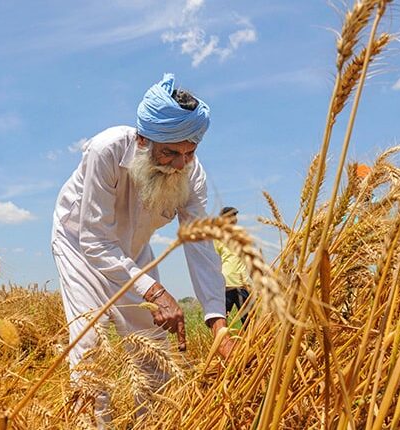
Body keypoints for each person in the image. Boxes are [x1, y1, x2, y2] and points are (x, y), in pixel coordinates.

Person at [51, 73, 234, 423]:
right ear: (142, 140)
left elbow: (200, 244)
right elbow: (94, 240)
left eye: (190, 152)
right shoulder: (106, 150)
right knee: (90, 348)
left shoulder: (191, 173)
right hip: (80, 247)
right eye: (170, 152)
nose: (179, 164)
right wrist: (154, 290)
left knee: (153, 349)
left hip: (134, 253)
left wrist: (217, 324)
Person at [214, 207, 251, 325]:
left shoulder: (242, 235)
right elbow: (214, 260)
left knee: (249, 322)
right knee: (221, 320)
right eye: (230, 216)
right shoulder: (218, 238)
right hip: (226, 284)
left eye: (234, 216)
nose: (234, 219)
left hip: (243, 284)